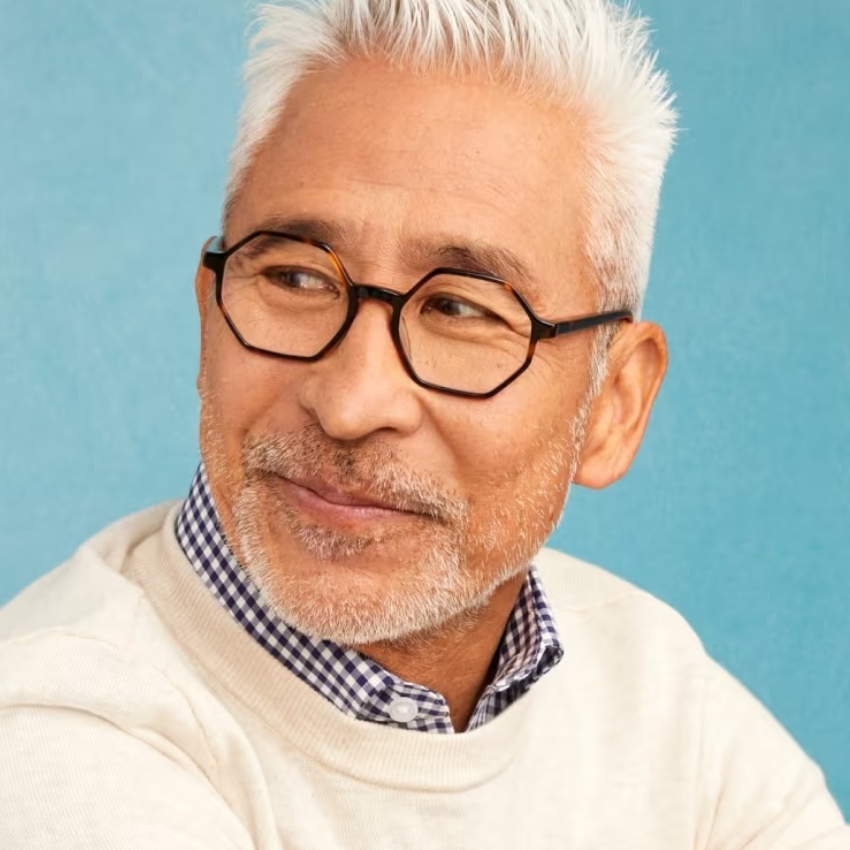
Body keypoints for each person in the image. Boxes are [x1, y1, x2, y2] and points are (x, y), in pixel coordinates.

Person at [0, 0, 847, 846]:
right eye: (295, 278)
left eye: (460, 309)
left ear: (612, 406)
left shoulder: (668, 708)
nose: (350, 402)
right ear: (209, 318)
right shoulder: (51, 735)